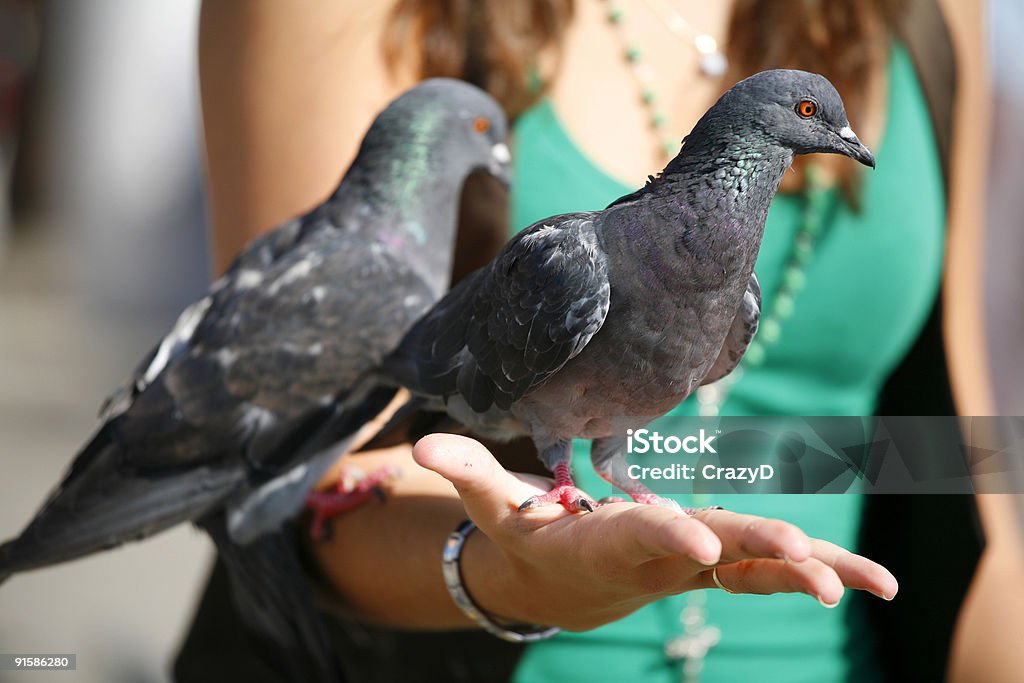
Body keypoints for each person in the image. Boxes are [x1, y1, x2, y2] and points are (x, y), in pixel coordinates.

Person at [178, 1, 1023, 682]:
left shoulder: (935, 18)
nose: (843, 141)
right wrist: (513, 570)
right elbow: (309, 464)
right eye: (814, 117)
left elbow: (947, 471)